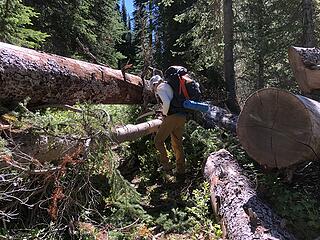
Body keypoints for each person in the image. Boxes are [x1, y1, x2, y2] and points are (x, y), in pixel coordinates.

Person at [148, 68, 188, 180]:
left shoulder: (160, 88)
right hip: (182, 116)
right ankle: (181, 171)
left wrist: (165, 114)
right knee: (177, 143)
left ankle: (167, 167)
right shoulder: (169, 86)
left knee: (158, 141)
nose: (154, 90)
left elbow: (166, 102)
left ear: (155, 84)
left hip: (172, 117)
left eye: (153, 87)